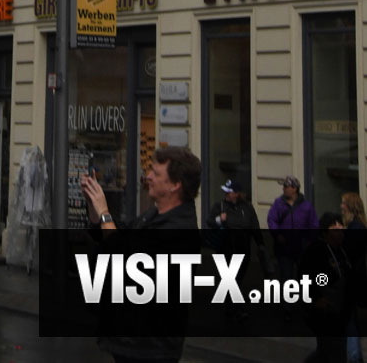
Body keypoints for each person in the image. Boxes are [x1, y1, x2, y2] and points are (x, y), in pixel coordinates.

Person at [81, 145, 202, 363]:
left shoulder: (179, 229)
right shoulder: (156, 213)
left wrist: (104, 212)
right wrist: (95, 211)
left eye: (156, 174)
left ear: (175, 185)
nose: (148, 177)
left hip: (151, 347)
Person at [300, 213, 355, 363]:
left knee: (326, 352)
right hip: (326, 312)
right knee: (333, 351)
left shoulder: (342, 251)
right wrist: (316, 297)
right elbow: (306, 276)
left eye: (341, 227)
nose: (340, 232)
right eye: (334, 228)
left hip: (341, 310)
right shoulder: (316, 250)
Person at [204, 176, 265, 307]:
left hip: (243, 249)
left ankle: (230, 304)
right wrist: (220, 219)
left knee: (237, 279)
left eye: (229, 191)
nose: (226, 194)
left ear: (237, 194)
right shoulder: (219, 206)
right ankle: (235, 309)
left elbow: (254, 226)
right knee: (229, 279)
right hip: (225, 249)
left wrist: (261, 244)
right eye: (225, 191)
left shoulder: (247, 208)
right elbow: (209, 222)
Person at [267, 173, 319, 282]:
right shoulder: (278, 203)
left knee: (304, 277)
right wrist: (277, 235)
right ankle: (288, 297)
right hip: (284, 247)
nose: (283, 189)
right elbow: (272, 220)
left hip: (302, 247)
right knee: (286, 276)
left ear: (294, 189)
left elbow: (313, 224)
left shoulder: (306, 206)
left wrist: (310, 241)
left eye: (286, 186)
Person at [340, 193, 367, 363]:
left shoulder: (355, 228)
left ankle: (354, 355)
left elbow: (349, 253)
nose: (341, 206)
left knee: (350, 320)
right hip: (356, 279)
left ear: (350, 206)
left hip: (353, 280)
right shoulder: (357, 226)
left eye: (343, 203)